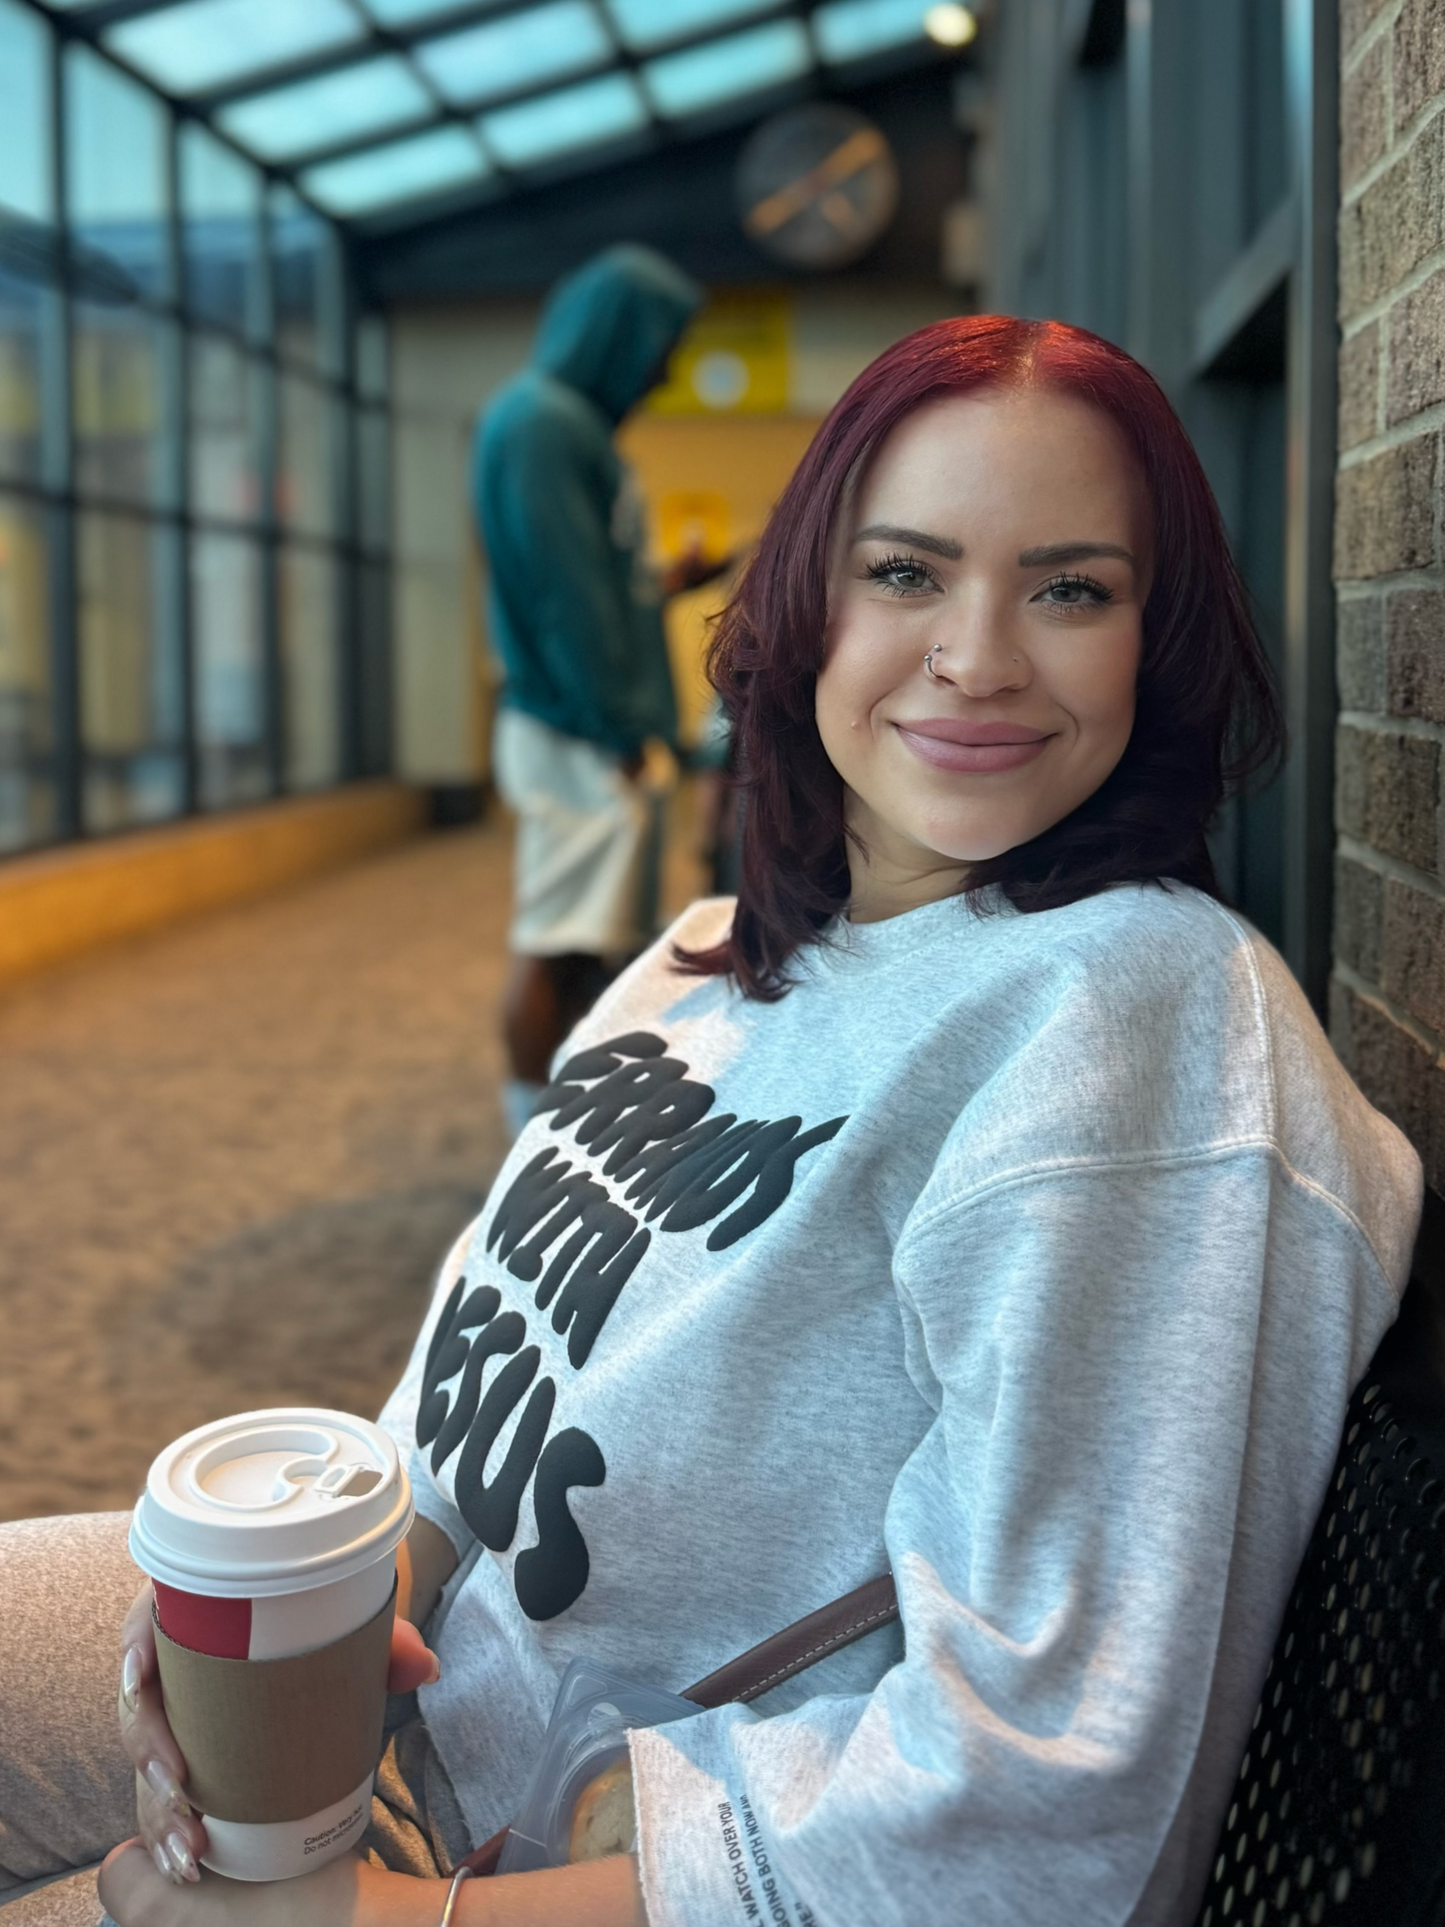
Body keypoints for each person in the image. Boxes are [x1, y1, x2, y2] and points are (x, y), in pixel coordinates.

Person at [1, 314, 1422, 1927]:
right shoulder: (703, 958)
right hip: (417, 1684)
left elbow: (1044, 1812)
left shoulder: (1135, 1020)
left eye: (1071, 586)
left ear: (1153, 641)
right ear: (807, 601)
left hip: (584, 1854)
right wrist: (318, 1596)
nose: (978, 653)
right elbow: (478, 1400)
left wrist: (403, 1922)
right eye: (904, 572)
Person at [474, 245, 725, 1141]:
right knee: (558, 936)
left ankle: (565, 1126)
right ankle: (522, 1137)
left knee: (595, 939)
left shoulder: (567, 427)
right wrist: (613, 723)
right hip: (576, 727)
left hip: (592, 723)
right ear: (616, 331)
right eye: (660, 344)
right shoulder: (539, 423)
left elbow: (595, 585)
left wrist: (667, 583)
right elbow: (559, 597)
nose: (664, 369)